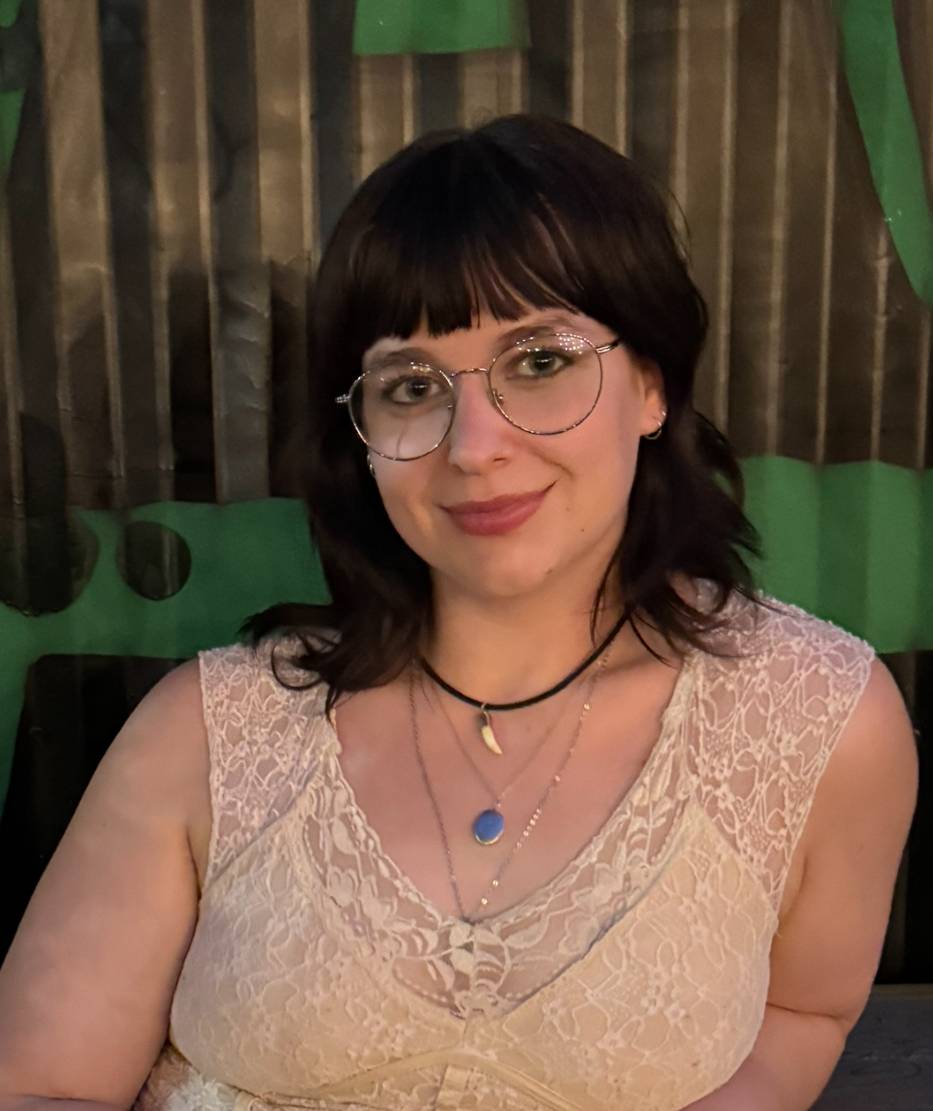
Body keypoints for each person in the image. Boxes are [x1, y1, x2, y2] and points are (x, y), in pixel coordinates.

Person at [0, 115, 917, 1111]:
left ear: (651, 384)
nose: (473, 445)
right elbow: (39, 1084)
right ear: (362, 434)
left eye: (540, 362)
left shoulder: (819, 720)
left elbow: (804, 1009)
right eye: (410, 385)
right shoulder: (210, 732)